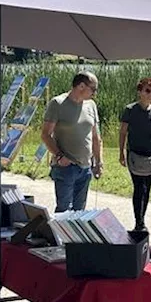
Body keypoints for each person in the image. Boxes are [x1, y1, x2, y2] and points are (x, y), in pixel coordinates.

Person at [41, 72, 102, 212]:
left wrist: (99, 161)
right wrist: (60, 156)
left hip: (85, 167)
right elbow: (45, 134)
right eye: (93, 89)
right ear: (81, 86)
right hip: (66, 168)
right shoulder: (58, 103)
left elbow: (95, 137)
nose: (95, 93)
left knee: (79, 212)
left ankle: (75, 234)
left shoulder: (91, 105)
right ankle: (58, 234)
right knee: (63, 210)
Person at [119, 77, 151, 232]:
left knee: (147, 188)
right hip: (134, 154)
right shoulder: (130, 110)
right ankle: (139, 222)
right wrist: (121, 152)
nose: (150, 94)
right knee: (139, 188)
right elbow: (123, 132)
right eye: (147, 90)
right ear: (139, 92)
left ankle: (142, 219)